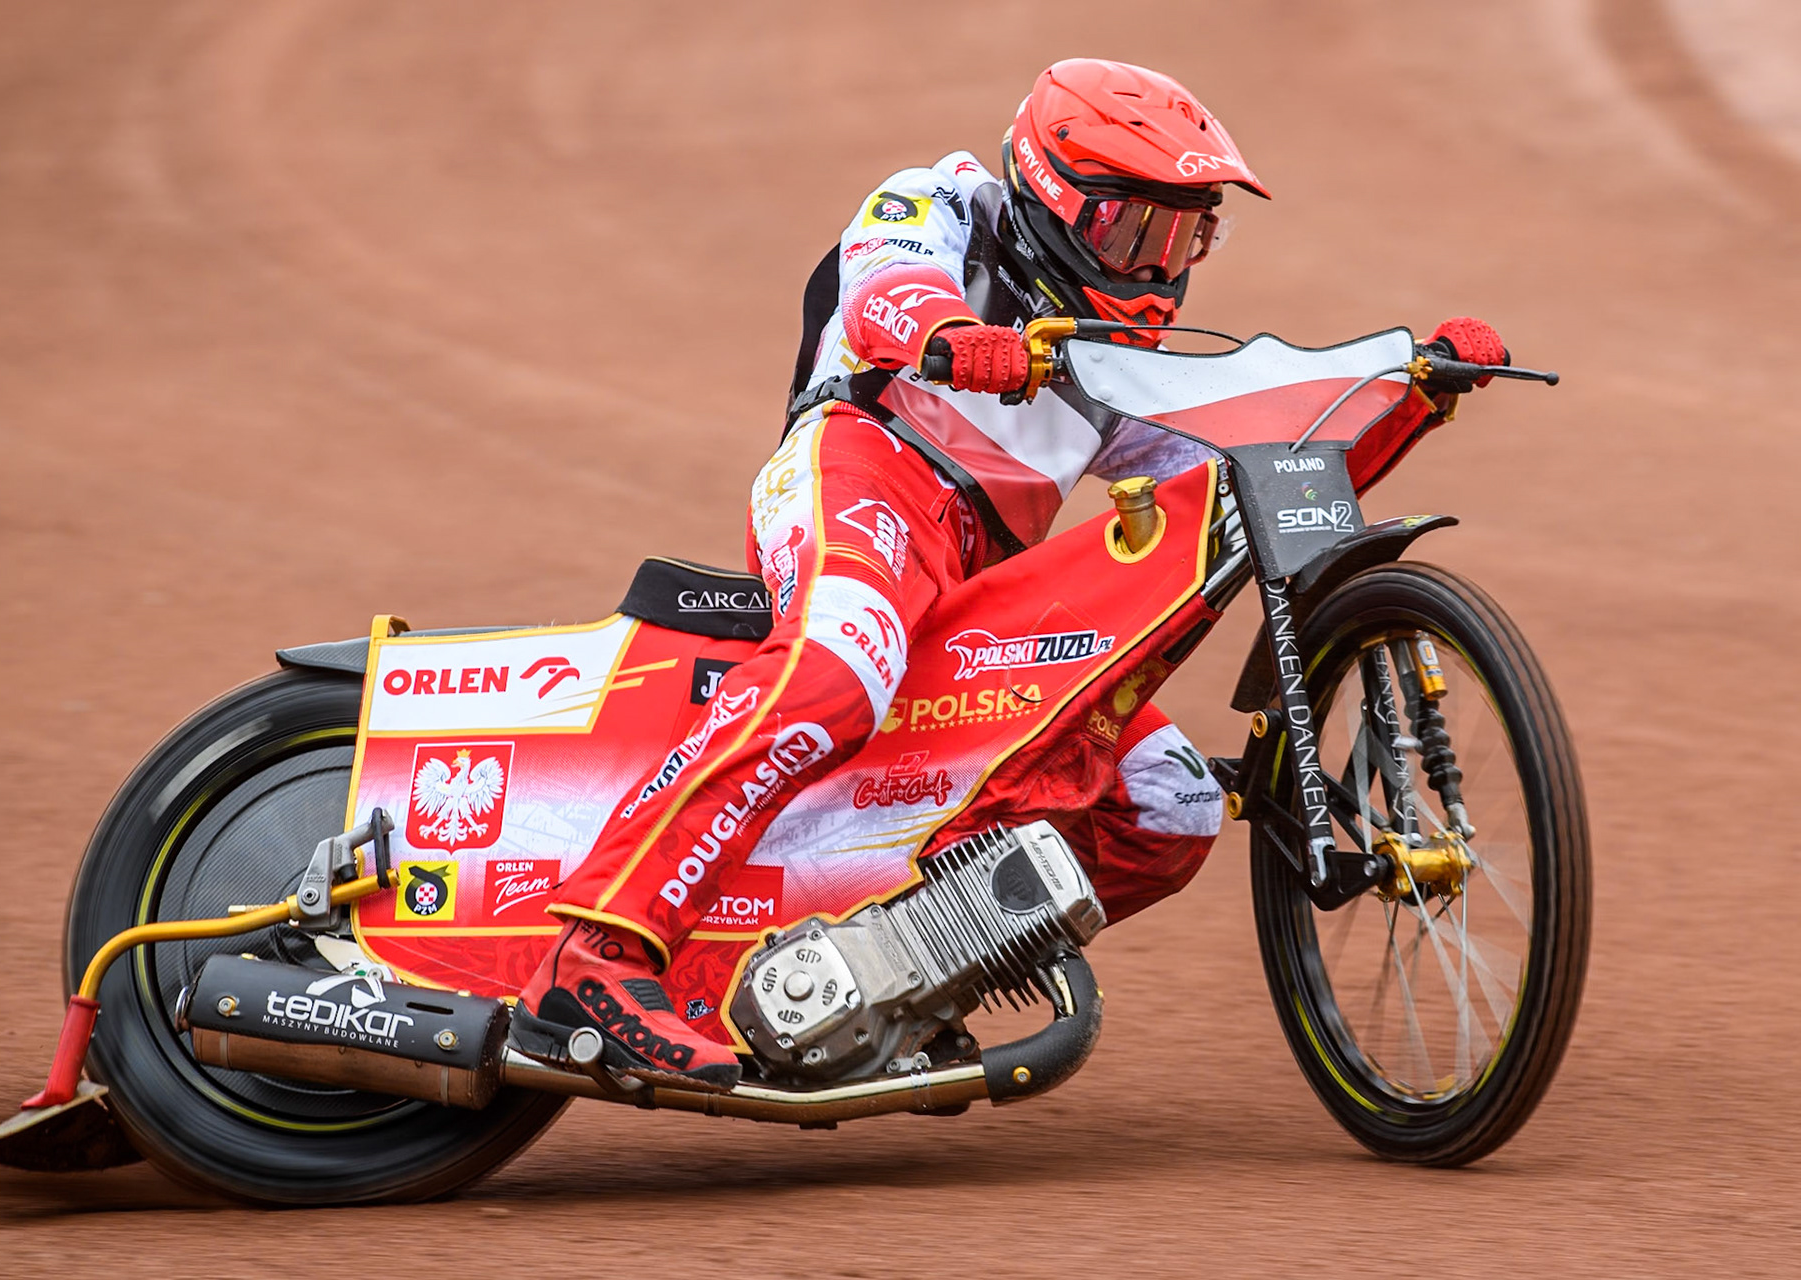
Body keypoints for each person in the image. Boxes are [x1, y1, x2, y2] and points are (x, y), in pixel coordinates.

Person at [515, 58, 1507, 1089]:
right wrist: (958, 339)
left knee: (1169, 804)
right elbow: (882, 295)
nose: (1161, 267)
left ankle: (892, 974)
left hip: (985, 571)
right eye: (1137, 231)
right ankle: (596, 953)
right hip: (865, 473)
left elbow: (1229, 488)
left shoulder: (1125, 356)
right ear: (1054, 191)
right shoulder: (938, 199)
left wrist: (1402, 402)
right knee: (840, 665)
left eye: (1187, 235)